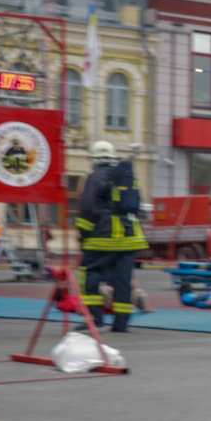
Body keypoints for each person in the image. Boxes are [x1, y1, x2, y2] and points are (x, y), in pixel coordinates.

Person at [77, 140, 147, 332]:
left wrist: (83, 235)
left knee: (90, 276)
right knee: (122, 281)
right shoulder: (126, 175)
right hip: (130, 237)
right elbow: (136, 205)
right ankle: (121, 324)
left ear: (94, 159)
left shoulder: (95, 177)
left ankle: (94, 319)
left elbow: (88, 209)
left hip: (102, 237)